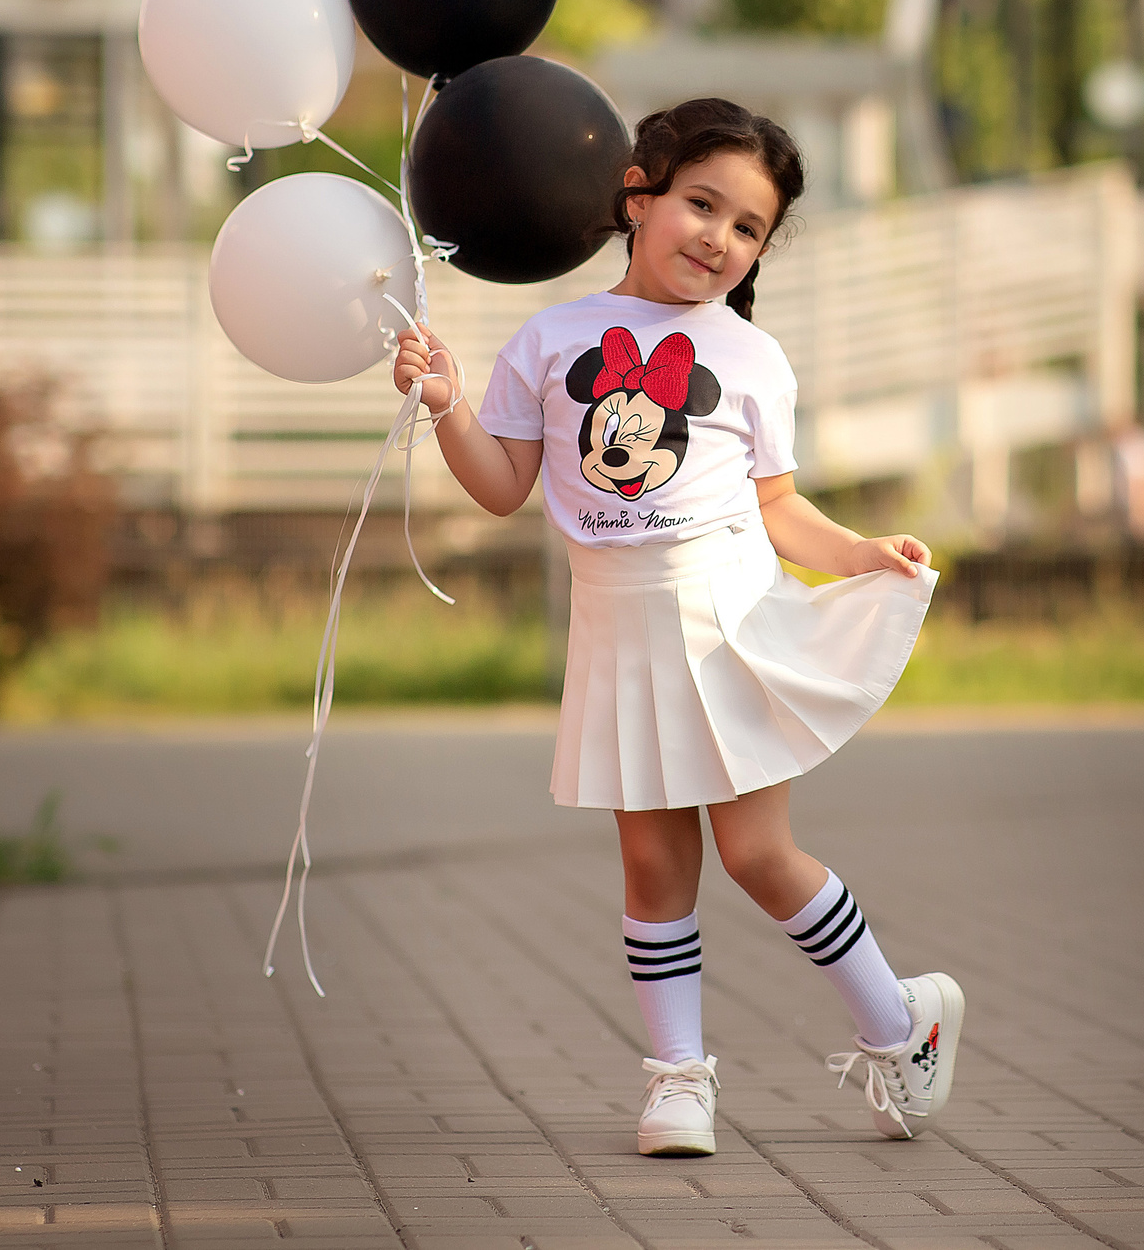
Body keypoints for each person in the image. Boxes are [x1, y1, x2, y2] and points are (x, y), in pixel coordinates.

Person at [391, 97, 964, 1158]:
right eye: (703, 205)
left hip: (728, 617)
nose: (720, 239)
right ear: (637, 194)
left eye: (747, 228)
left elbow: (779, 504)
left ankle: (898, 1022)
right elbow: (501, 486)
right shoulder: (549, 335)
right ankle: (676, 1082)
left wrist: (862, 555)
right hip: (616, 630)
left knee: (755, 853)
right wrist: (444, 403)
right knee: (654, 867)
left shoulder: (748, 356)